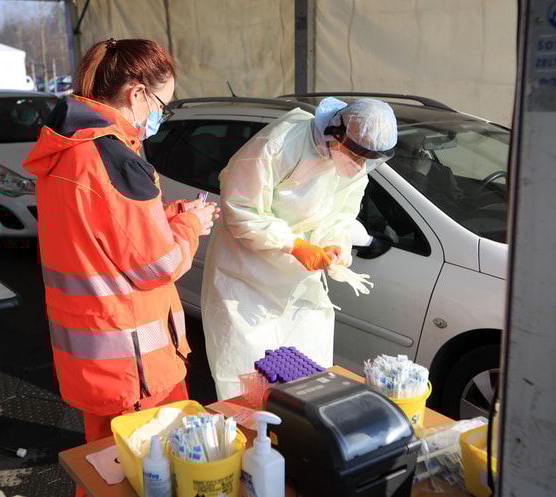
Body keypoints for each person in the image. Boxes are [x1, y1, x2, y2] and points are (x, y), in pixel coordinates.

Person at [23, 38, 217, 491]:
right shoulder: (116, 160)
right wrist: (192, 227)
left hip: (95, 358)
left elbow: (101, 238)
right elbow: (158, 265)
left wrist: (170, 215)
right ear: (136, 94)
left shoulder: (68, 151)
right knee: (146, 475)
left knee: (103, 472)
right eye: (161, 107)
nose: (158, 119)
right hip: (137, 366)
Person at [201, 97, 398, 399]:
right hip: (244, 276)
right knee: (246, 377)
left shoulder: (354, 165)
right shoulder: (280, 144)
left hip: (297, 280)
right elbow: (239, 208)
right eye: (355, 156)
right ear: (335, 132)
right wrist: (292, 244)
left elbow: (341, 214)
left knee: (310, 375)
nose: (359, 166)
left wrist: (335, 242)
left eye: (366, 160)